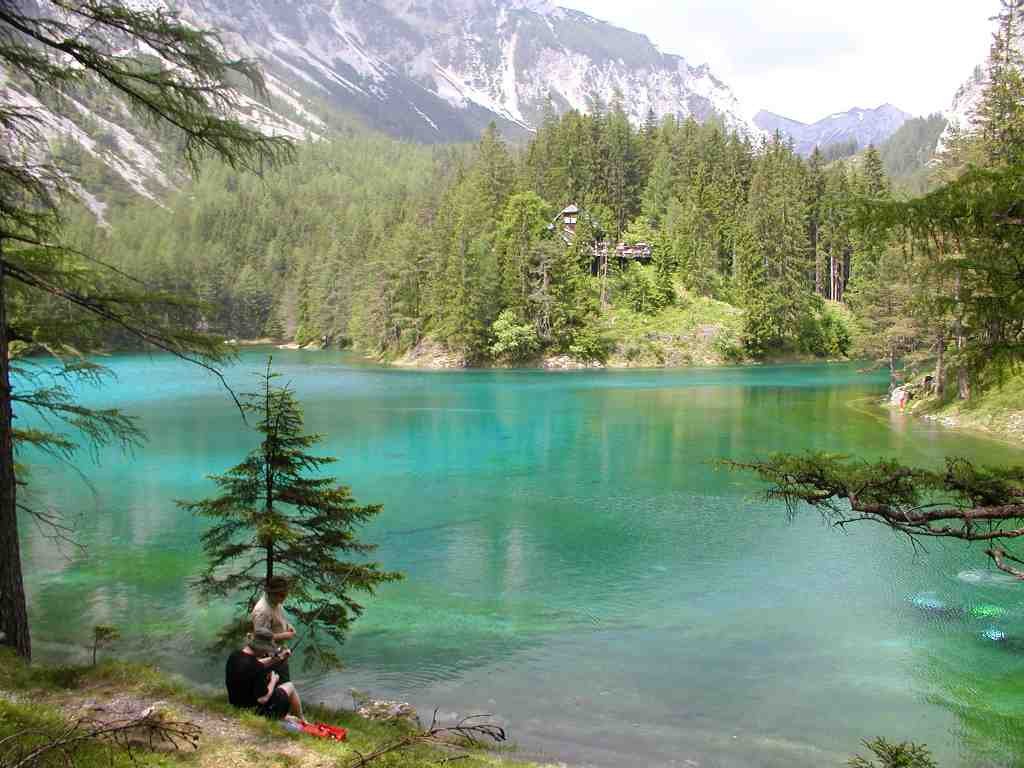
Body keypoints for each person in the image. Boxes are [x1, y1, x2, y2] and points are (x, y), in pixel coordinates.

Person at [225, 628, 304, 720]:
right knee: (289, 686)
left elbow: (254, 663)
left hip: (236, 703)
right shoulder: (258, 668)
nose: (266, 652)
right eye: (266, 649)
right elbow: (263, 699)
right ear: (261, 647)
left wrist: (278, 658)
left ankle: (287, 716)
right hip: (255, 710)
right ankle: (301, 719)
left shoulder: (235, 655)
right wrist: (273, 681)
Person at [252, 575, 296, 683]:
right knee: (281, 689)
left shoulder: (275, 602)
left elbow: (277, 619)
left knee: (285, 686)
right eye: (281, 595)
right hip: (270, 658)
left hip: (280, 652)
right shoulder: (262, 611)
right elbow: (260, 639)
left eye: (285, 595)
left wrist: (287, 625)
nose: (284, 598)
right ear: (271, 593)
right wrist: (286, 635)